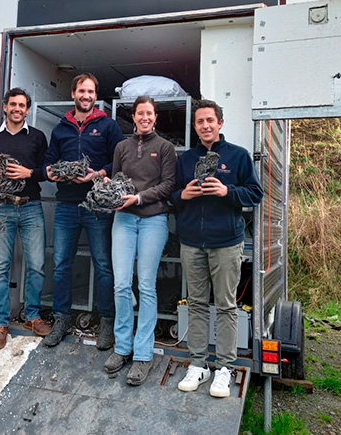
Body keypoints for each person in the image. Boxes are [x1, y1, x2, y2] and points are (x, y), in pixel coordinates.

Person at [172, 99, 263, 397]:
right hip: (192, 242)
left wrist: (228, 191)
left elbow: (255, 193)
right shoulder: (185, 160)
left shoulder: (237, 156)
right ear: (195, 126)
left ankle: (224, 367)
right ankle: (198, 364)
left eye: (210, 120)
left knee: (226, 305)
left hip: (226, 242)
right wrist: (183, 194)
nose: (205, 125)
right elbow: (171, 195)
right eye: (200, 122)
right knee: (197, 302)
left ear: (220, 123)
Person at [42, 73, 125, 349]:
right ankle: (61, 318)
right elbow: (49, 162)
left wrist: (98, 174)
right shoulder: (61, 128)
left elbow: (120, 161)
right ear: (73, 93)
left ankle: (107, 322)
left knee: (103, 264)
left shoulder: (108, 125)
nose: (86, 95)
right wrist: (52, 173)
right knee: (61, 264)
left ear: (95, 95)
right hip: (67, 205)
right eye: (81, 91)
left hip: (97, 206)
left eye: (91, 91)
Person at [102, 96, 177, 386]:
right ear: (133, 117)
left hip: (153, 220)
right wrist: (111, 188)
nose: (144, 117)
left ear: (155, 117)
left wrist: (140, 197)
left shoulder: (165, 148)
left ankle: (143, 354)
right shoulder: (122, 146)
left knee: (146, 285)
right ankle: (122, 347)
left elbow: (169, 185)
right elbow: (119, 177)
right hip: (124, 219)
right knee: (121, 283)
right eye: (140, 113)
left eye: (149, 113)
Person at [0, 87, 50, 350]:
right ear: (5, 107)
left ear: (28, 110)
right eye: (13, 105)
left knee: (37, 264)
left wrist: (28, 172)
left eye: (22, 105)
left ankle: (32, 316)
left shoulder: (38, 137)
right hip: (1, 208)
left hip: (31, 207)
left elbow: (46, 171)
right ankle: (0, 323)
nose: (17, 109)